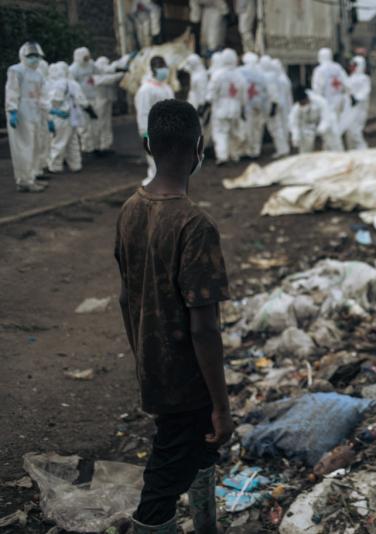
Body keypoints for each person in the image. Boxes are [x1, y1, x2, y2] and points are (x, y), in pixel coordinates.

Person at [115, 99, 232, 534]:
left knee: (199, 453)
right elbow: (205, 327)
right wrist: (221, 405)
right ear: (199, 148)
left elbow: (126, 299)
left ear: (148, 146)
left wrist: (144, 355)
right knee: (163, 484)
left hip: (155, 369)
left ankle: (206, 526)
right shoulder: (194, 224)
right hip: (188, 381)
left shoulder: (130, 210)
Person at [6, 41, 50, 193]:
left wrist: (48, 117)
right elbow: (12, 90)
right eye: (31, 55)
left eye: (37, 56)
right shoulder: (16, 70)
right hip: (21, 113)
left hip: (35, 114)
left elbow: (43, 96)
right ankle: (24, 180)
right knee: (24, 147)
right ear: (23, 55)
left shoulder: (38, 75)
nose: (34, 59)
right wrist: (12, 110)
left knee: (35, 146)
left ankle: (33, 175)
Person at [135, 56, 175, 185]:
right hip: (153, 129)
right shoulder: (146, 90)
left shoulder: (166, 87)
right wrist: (144, 131)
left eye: (165, 67)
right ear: (152, 69)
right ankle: (155, 183)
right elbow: (143, 111)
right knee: (155, 158)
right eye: (160, 67)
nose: (164, 70)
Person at [46, 62, 89, 173]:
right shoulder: (73, 83)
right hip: (73, 118)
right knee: (72, 142)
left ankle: (55, 166)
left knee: (58, 142)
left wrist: (52, 114)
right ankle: (75, 164)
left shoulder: (57, 84)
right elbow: (83, 101)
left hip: (61, 117)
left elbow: (55, 101)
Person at [205, 48, 246, 165]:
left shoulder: (218, 74)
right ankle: (234, 155)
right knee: (234, 132)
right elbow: (244, 93)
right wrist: (242, 106)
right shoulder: (239, 75)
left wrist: (207, 104)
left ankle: (222, 156)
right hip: (236, 107)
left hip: (220, 107)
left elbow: (212, 91)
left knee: (221, 132)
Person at [310, 47, 347, 151]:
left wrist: (316, 103)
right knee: (336, 125)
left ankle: (330, 149)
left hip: (326, 102)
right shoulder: (338, 67)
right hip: (338, 101)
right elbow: (346, 83)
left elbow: (317, 88)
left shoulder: (319, 70)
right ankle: (334, 147)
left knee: (327, 126)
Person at [237, 52, 270, 159]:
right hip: (259, 103)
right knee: (258, 128)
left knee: (248, 127)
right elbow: (266, 90)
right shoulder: (262, 72)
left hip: (247, 104)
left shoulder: (240, 71)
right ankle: (256, 150)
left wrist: (241, 104)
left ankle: (248, 149)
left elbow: (240, 89)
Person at [69, 47, 100, 154]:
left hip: (93, 97)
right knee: (84, 126)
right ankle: (86, 148)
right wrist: (81, 103)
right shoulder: (73, 69)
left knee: (95, 124)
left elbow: (100, 71)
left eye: (88, 56)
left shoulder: (91, 64)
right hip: (81, 101)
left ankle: (95, 146)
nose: (87, 59)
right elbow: (72, 89)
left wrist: (115, 69)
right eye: (84, 57)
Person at [92, 56, 127, 155]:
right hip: (99, 101)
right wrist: (120, 75)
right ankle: (97, 145)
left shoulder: (108, 72)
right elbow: (105, 80)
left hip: (107, 100)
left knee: (107, 124)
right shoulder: (94, 74)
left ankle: (106, 145)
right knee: (99, 124)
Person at [288, 85, 329, 154]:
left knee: (329, 141)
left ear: (307, 98)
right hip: (307, 128)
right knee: (305, 149)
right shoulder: (296, 109)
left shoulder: (320, 101)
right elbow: (293, 124)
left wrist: (320, 132)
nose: (303, 105)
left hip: (322, 125)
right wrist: (295, 139)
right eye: (301, 104)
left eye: (304, 103)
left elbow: (326, 118)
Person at [343, 55, 371, 151]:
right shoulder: (350, 78)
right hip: (350, 109)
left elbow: (365, 91)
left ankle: (363, 151)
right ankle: (352, 152)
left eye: (354, 65)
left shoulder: (364, 78)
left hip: (359, 109)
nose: (352, 67)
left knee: (356, 132)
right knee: (349, 133)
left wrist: (356, 98)